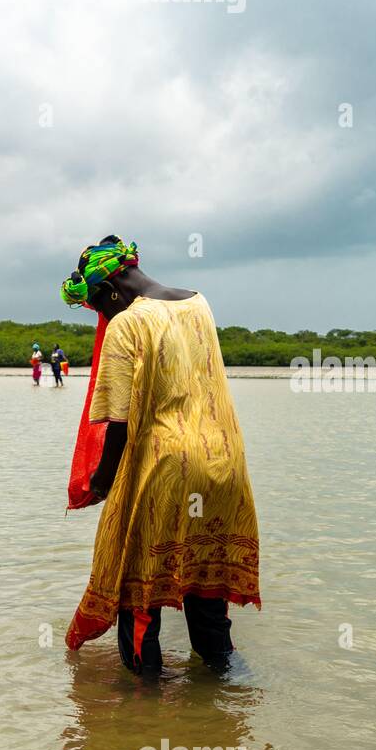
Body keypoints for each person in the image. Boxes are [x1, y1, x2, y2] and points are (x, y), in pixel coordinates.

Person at [61, 234, 260, 674]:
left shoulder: (127, 324)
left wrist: (102, 481)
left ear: (111, 290)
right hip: (223, 462)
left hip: (165, 465)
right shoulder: (198, 303)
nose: (102, 315)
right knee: (205, 582)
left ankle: (142, 702)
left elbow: (119, 421)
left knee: (138, 591)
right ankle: (227, 682)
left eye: (98, 305)